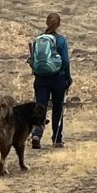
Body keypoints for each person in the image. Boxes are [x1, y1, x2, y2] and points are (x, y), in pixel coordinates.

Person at [30, 12, 72, 149]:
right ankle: (57, 139)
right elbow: (65, 61)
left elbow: (32, 60)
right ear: (59, 24)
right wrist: (68, 77)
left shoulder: (39, 40)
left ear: (46, 23)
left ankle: (36, 134)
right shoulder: (61, 40)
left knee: (40, 107)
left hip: (41, 78)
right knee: (57, 108)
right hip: (58, 78)